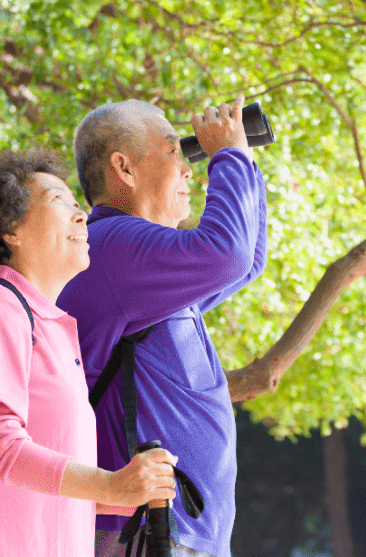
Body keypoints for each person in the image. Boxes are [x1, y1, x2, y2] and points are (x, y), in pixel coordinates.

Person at [0, 150, 179, 557]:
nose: (81, 216)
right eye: (59, 202)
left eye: (78, 205)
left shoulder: (53, 328)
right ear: (11, 231)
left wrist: (129, 492)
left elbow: (42, 486)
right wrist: (110, 485)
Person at [58, 95, 267, 557]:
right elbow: (227, 254)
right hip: (147, 532)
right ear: (124, 169)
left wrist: (242, 157)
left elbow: (247, 261)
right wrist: (227, 156)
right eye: (176, 152)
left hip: (176, 534)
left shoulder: (140, 270)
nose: (190, 169)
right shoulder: (111, 246)